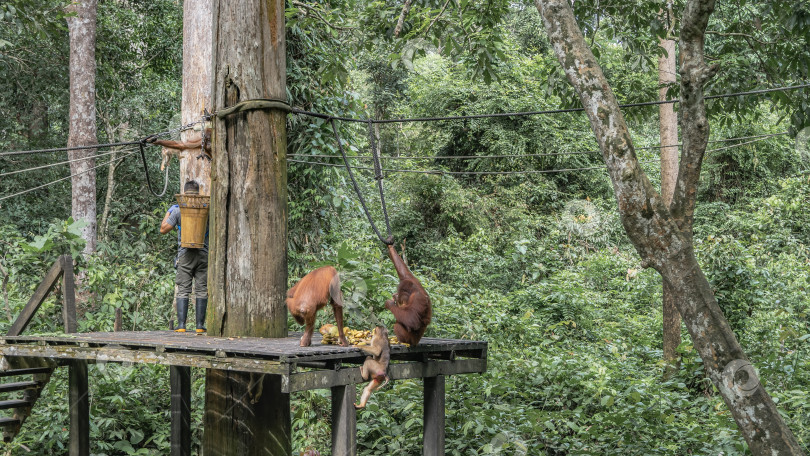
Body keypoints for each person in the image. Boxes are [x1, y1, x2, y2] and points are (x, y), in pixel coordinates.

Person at [160, 180, 208, 333]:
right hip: (204, 254)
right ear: (198, 193)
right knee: (201, 289)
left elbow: (163, 229)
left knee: (183, 289)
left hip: (185, 254)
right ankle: (200, 326)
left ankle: (181, 326)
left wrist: (169, 212)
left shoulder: (178, 209)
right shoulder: (206, 207)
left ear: (185, 192)